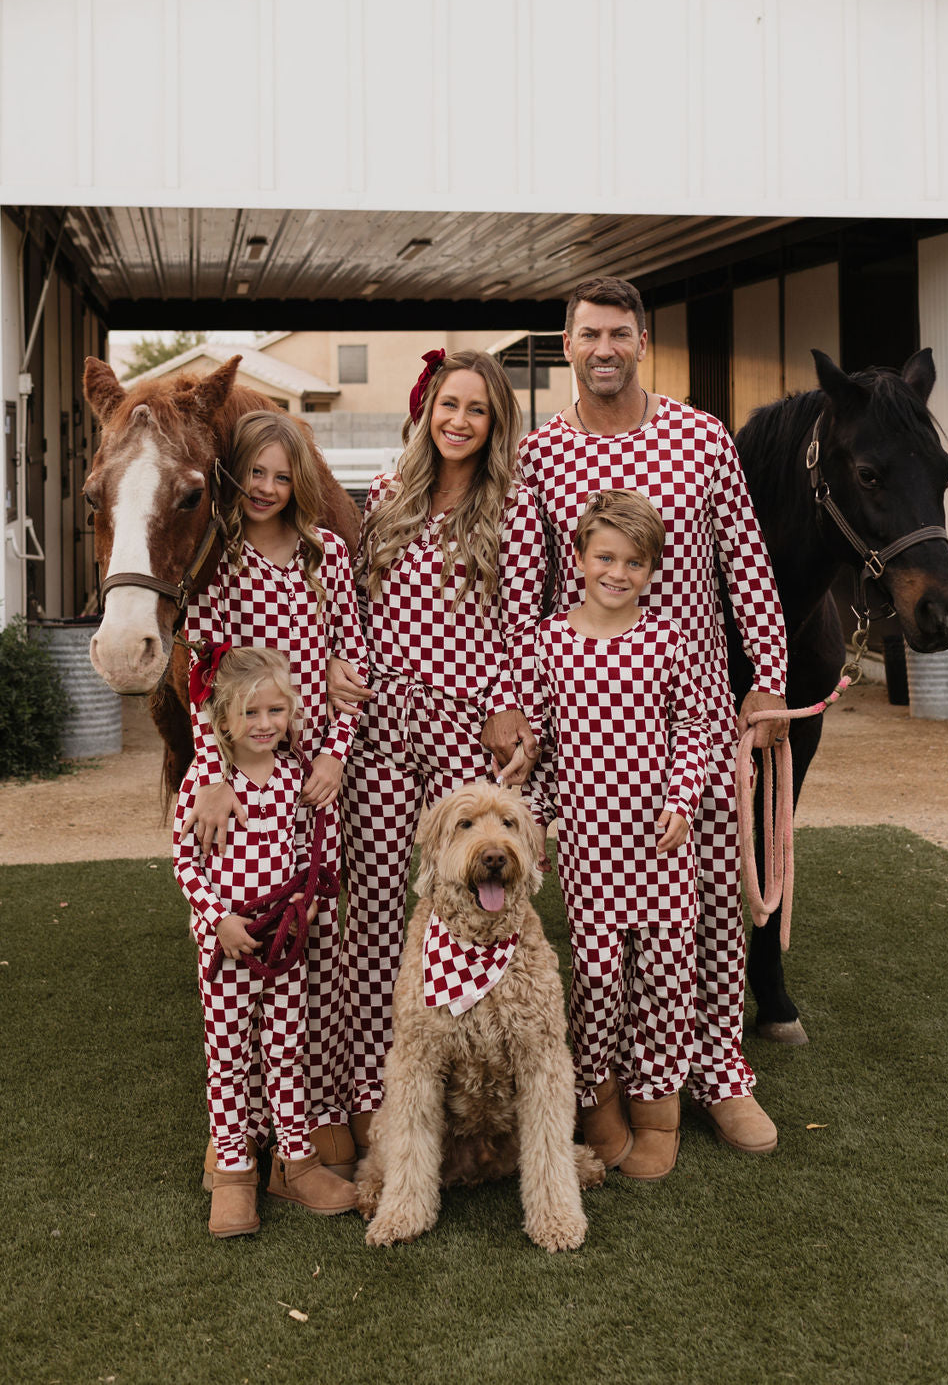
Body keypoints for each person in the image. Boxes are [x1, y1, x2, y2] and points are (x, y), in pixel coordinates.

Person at [516, 276, 788, 1156]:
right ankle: (614, 1082)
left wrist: (769, 678)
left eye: (619, 333)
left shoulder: (701, 438)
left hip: (692, 711)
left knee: (704, 910)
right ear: (568, 344)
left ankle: (718, 1077)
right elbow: (526, 588)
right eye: (588, 333)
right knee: (600, 922)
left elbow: (746, 562)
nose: (604, 347)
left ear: (643, 341)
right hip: (590, 721)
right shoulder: (542, 455)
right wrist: (518, 702)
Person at [335, 348, 547, 1151]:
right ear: (427, 411)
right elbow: (353, 603)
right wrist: (336, 665)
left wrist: (505, 705)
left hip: (465, 729)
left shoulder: (515, 509)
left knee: (464, 906)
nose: (459, 420)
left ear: (495, 424)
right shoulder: (388, 496)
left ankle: (473, 1082)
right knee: (382, 914)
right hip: (385, 724)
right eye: (448, 405)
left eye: (477, 409)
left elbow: (524, 622)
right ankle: (371, 1088)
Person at [182, 410, 369, 1181]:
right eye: (254, 473)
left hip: (312, 776)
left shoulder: (325, 556)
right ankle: (235, 1135)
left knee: (312, 942)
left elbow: (351, 665)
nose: (265, 487)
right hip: (243, 771)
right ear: (236, 476)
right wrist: (214, 775)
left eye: (280, 476)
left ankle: (309, 1113)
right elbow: (203, 673)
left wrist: (334, 754)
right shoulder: (219, 560)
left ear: (300, 484)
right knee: (243, 944)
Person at [514, 491, 709, 1180]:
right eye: (606, 557)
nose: (618, 572)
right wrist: (533, 818)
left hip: (660, 849)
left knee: (663, 973)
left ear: (652, 569)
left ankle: (659, 1102)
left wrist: (682, 798)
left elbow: (694, 730)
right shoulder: (549, 642)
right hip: (592, 852)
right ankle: (595, 1089)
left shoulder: (667, 641)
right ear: (579, 559)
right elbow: (537, 748)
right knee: (598, 976)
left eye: (634, 561)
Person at [173, 645, 358, 1236]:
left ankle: (294, 1162)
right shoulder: (209, 782)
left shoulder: (291, 776)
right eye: (251, 714)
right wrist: (217, 920)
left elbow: (307, 848)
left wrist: (307, 900)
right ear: (223, 721)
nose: (264, 724)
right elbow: (184, 859)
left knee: (286, 1051)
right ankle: (232, 1171)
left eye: (276, 711)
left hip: (285, 945)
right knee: (229, 1058)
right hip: (229, 946)